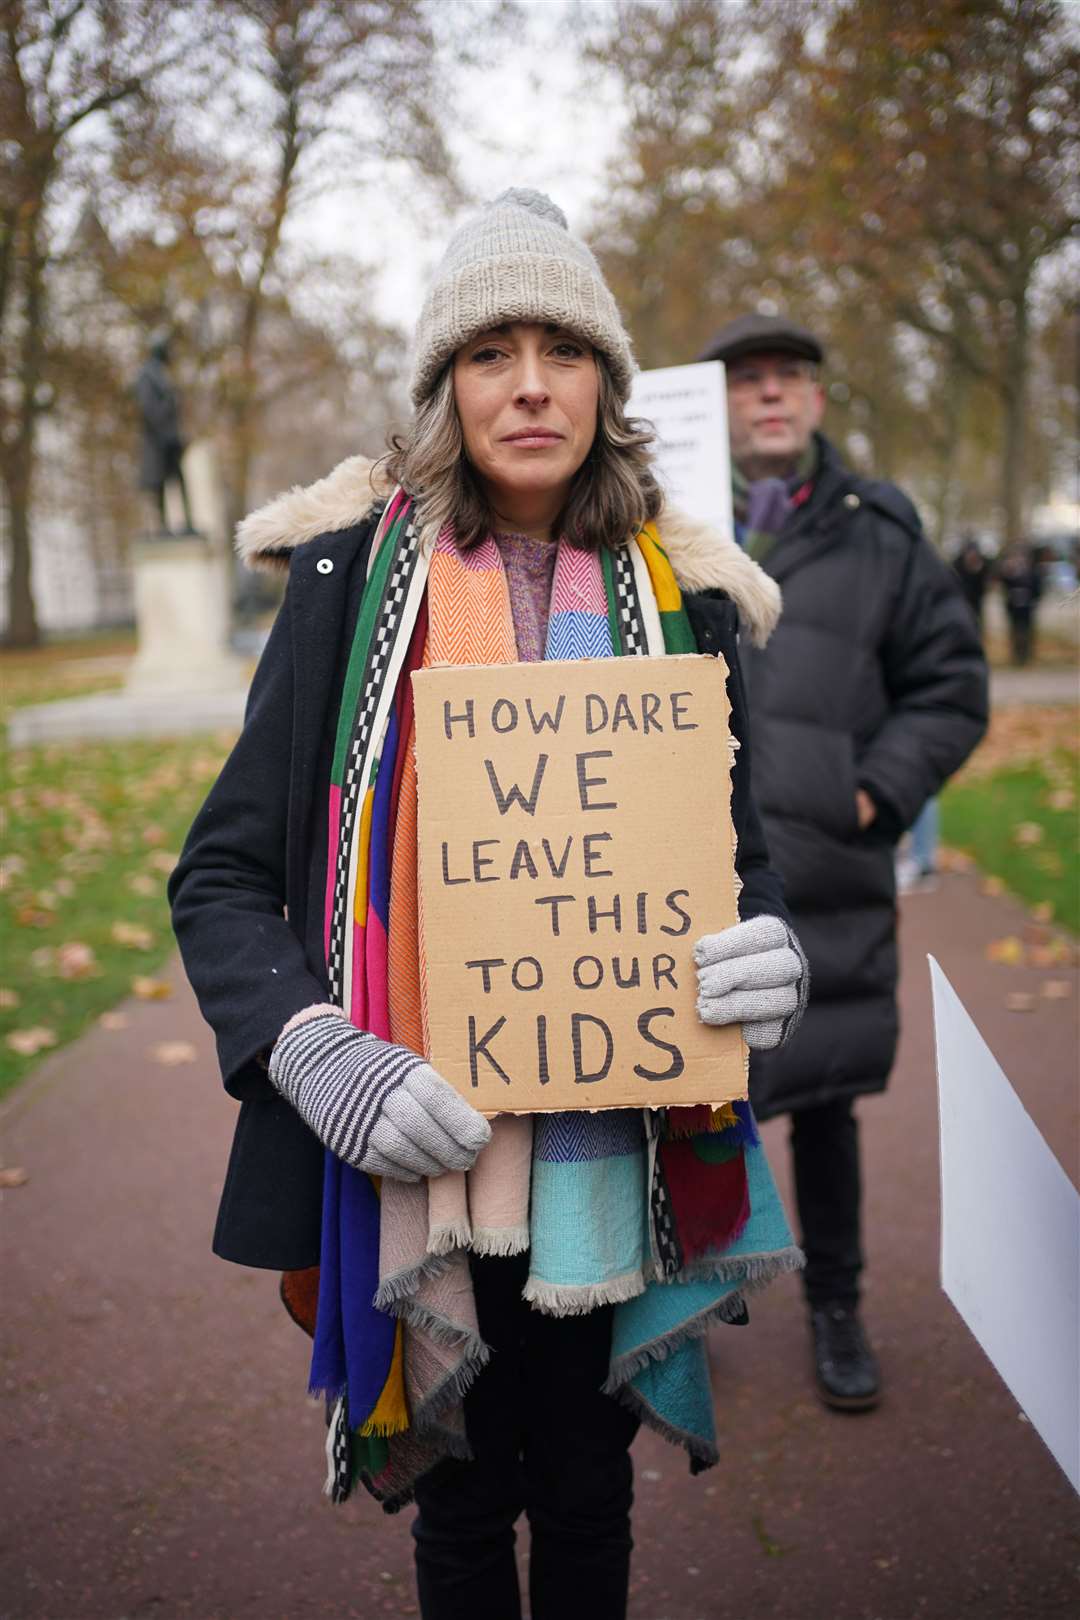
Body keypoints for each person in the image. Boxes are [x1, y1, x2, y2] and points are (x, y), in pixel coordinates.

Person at [170, 192, 807, 1620]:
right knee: (461, 1510)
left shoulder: (681, 599)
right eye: (490, 352)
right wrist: (316, 1051)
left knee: (589, 1490)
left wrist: (769, 955)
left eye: (564, 349)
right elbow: (218, 877)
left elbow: (741, 863)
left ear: (606, 385)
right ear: (445, 390)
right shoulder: (344, 592)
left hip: (613, 1141)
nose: (530, 384)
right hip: (417, 1154)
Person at [696, 312, 988, 1413]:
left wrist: (872, 793)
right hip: (687, 869)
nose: (770, 396)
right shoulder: (656, 520)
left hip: (826, 864)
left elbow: (950, 687)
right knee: (694, 1099)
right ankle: (696, 1302)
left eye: (790, 379)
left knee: (824, 1102)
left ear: (818, 400)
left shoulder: (881, 531)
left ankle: (837, 1307)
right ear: (718, 403)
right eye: (748, 380)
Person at [133, 331, 194, 534]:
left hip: (171, 439)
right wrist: (167, 407)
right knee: (159, 483)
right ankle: (162, 527)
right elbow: (149, 409)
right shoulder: (146, 375)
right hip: (158, 440)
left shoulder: (162, 373)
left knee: (179, 481)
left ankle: (188, 524)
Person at [997, 539, 1043, 665]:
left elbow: (1038, 587)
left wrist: (1034, 599)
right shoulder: (1009, 570)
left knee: (1027, 630)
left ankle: (1027, 655)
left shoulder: (1032, 571)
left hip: (1027, 606)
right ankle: (1016, 656)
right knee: (1015, 630)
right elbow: (1003, 584)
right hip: (1014, 605)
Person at [952, 533, 990, 634]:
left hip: (977, 600)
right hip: (962, 600)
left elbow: (984, 583)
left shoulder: (982, 565)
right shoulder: (958, 564)